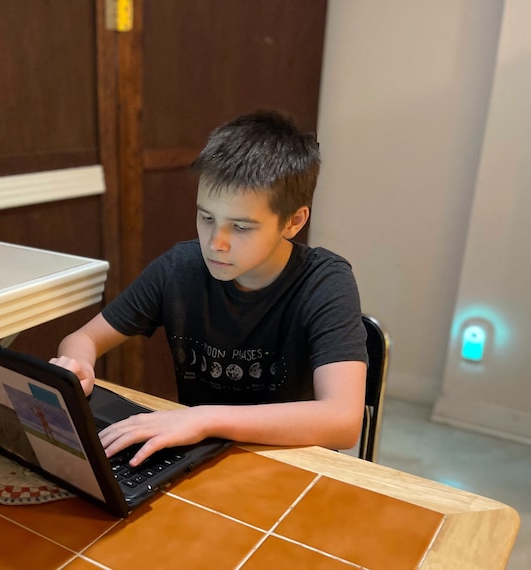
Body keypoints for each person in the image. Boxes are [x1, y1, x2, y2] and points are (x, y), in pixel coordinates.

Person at [50, 110, 368, 467]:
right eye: (207, 217)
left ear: (293, 221)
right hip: (201, 458)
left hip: (291, 462)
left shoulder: (325, 282)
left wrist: (203, 418)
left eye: (242, 227)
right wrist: (77, 365)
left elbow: (342, 421)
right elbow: (85, 339)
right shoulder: (180, 268)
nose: (216, 242)